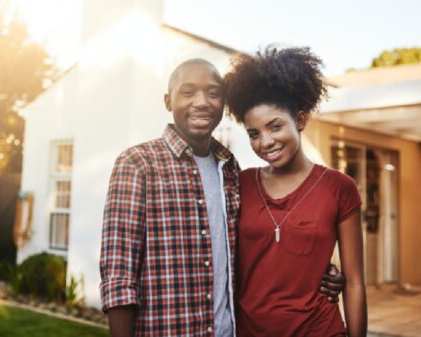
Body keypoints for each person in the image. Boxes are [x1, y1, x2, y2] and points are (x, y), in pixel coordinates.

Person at [99, 58, 344, 337]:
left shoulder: (230, 169)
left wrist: (320, 273)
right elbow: (119, 276)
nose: (202, 102)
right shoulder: (138, 163)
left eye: (213, 93)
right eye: (188, 92)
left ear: (224, 104)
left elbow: (257, 249)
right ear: (168, 101)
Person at [224, 47, 367, 337]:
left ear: (299, 121)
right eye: (254, 133)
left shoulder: (339, 187)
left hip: (320, 329)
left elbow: (353, 282)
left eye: (275, 126)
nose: (265, 141)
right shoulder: (240, 184)